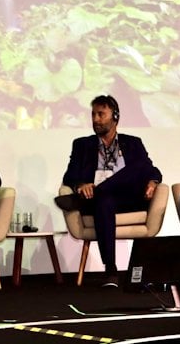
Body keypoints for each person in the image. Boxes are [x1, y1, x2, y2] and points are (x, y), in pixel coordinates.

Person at [54, 94, 162, 287]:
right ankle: (110, 268)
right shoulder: (82, 145)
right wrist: (81, 185)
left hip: (128, 198)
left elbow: (151, 170)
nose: (96, 119)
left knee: (137, 166)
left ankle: (98, 190)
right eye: (93, 114)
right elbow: (69, 176)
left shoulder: (132, 142)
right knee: (104, 199)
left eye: (101, 114)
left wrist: (153, 182)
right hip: (99, 202)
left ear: (115, 117)